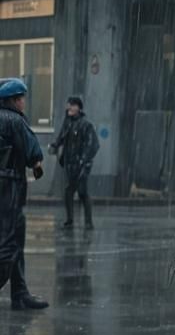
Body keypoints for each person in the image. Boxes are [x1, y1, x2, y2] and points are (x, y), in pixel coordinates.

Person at [0, 78, 49, 309]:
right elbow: (33, 154)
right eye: (21, 99)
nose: (23, 103)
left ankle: (20, 292)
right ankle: (19, 294)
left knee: (10, 242)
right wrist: (37, 165)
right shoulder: (16, 120)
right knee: (11, 243)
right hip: (10, 189)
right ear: (13, 100)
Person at [50, 96, 100, 229]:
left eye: (73, 105)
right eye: (69, 104)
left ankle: (88, 222)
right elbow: (61, 138)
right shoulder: (67, 123)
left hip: (82, 165)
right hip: (70, 164)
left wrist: (84, 159)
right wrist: (55, 146)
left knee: (82, 192)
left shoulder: (85, 125)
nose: (70, 107)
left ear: (79, 108)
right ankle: (70, 220)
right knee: (69, 191)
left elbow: (93, 144)